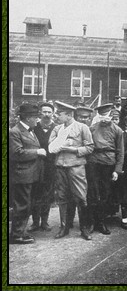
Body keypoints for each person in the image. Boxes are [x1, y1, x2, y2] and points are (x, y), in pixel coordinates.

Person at [48, 101, 94, 240]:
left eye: (59, 114)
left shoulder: (82, 128)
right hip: (60, 167)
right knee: (62, 198)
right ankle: (64, 228)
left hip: (76, 167)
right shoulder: (57, 129)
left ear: (68, 115)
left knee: (81, 197)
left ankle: (84, 228)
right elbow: (51, 147)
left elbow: (90, 148)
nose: (56, 116)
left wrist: (73, 149)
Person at [9, 104, 46, 244]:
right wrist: (37, 152)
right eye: (36, 117)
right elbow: (16, 153)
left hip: (30, 175)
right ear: (28, 118)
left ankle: (20, 232)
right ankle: (17, 235)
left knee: (26, 204)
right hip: (22, 175)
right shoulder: (15, 132)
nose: (38, 120)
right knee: (22, 205)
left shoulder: (30, 130)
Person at [86, 104, 124, 236]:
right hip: (93, 162)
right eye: (101, 115)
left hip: (108, 164)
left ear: (111, 115)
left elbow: (120, 152)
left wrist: (117, 170)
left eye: (106, 115)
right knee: (92, 193)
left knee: (105, 194)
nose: (104, 118)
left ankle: (101, 222)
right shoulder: (92, 128)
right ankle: (91, 222)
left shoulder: (118, 130)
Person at [28, 102, 57, 233]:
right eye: (44, 112)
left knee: (48, 194)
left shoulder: (57, 128)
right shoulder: (34, 128)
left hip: (51, 166)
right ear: (40, 113)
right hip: (36, 165)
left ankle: (44, 222)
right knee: (35, 193)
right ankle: (35, 222)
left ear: (53, 114)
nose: (46, 114)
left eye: (49, 112)